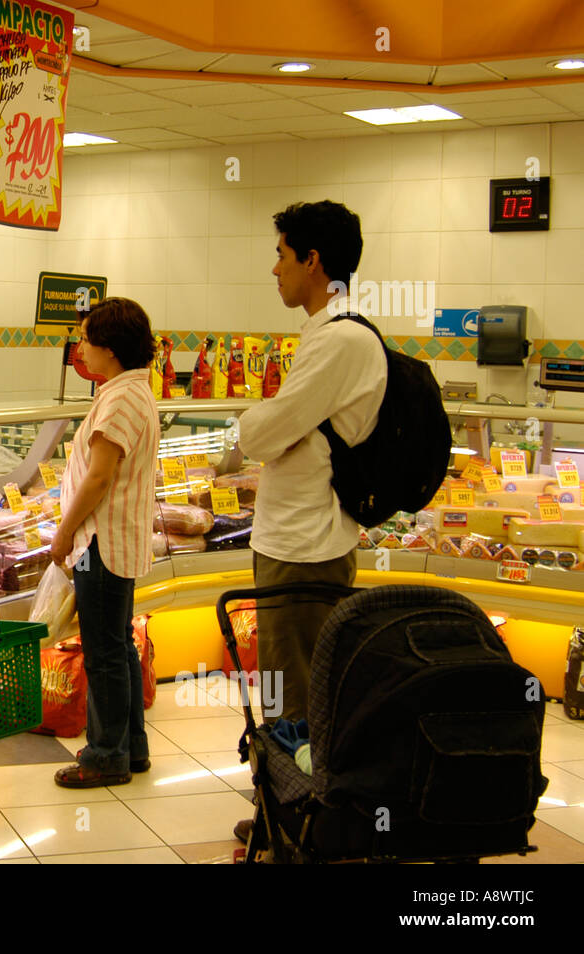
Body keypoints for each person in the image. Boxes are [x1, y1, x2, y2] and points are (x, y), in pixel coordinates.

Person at [233, 201, 387, 839]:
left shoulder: (342, 339)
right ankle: (292, 807)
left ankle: (297, 819)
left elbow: (270, 431)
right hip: (299, 535)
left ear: (313, 260)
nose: (275, 269)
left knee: (294, 694)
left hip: (304, 542)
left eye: (281, 254)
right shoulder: (329, 333)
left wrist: (250, 428)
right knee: (294, 687)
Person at [49, 297, 160, 788]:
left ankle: (105, 755)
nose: (81, 350)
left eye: (87, 340)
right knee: (120, 648)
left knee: (104, 651)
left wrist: (64, 532)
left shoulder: (119, 399)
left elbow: (97, 480)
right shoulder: (133, 390)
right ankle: (131, 747)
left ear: (110, 349)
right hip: (119, 541)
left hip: (101, 542)